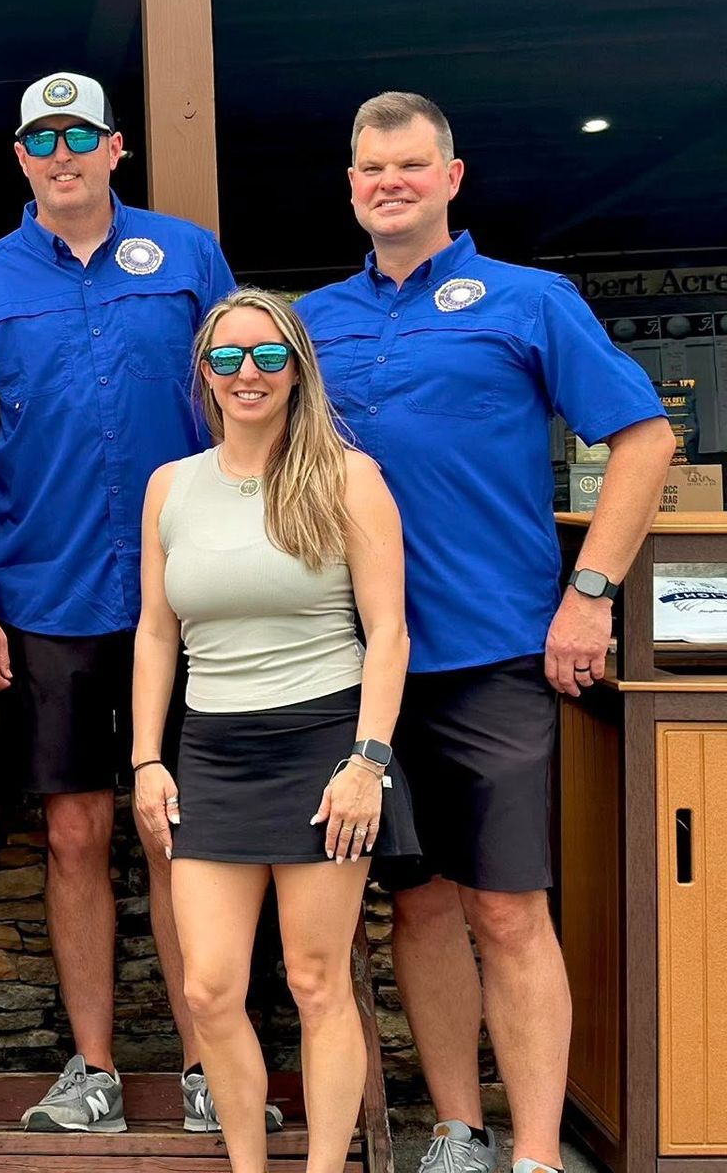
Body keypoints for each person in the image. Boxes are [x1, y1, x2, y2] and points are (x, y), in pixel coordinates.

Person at [295, 93, 673, 1173]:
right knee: (417, 905)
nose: (390, 183)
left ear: (453, 177)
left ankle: (538, 1154)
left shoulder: (529, 300)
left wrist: (589, 590)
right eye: (371, 169)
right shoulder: (312, 323)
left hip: (494, 652)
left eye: (411, 165)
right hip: (361, 666)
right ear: (353, 185)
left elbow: (643, 441)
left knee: (508, 911)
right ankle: (459, 1131)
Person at [0, 71, 235, 1132]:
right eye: (40, 141)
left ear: (116, 148)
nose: (61, 156)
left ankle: (208, 1065)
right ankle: (95, 1069)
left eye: (80, 137)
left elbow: (244, 401)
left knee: (182, 832)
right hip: (47, 593)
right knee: (73, 835)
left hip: (188, 591)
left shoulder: (189, 255)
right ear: (19, 157)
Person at [132, 288, 414, 1173]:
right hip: (211, 752)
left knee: (316, 981)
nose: (245, 374)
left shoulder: (346, 477)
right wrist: (146, 758)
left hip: (323, 745)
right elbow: (155, 632)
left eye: (266, 356)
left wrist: (368, 761)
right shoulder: (170, 487)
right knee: (209, 988)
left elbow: (390, 632)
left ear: (297, 368)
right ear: (204, 375)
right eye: (225, 358)